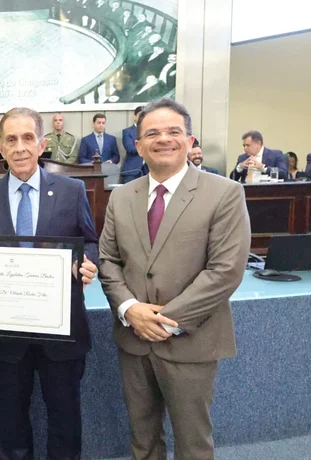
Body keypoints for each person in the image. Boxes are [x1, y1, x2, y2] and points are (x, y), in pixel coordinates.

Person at [98, 98, 250, 460]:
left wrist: (166, 320)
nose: (163, 139)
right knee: (143, 440)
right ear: (138, 145)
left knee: (193, 443)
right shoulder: (120, 198)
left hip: (189, 341)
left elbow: (225, 270)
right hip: (133, 340)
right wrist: (131, 309)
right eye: (152, 133)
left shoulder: (224, 193)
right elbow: (108, 260)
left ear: (190, 140)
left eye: (173, 131)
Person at [0, 107, 99, 460]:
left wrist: (86, 263)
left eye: (28, 138)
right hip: (6, 332)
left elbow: (90, 241)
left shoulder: (72, 190)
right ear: (0, 146)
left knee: (65, 417)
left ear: (42, 144)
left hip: (61, 329)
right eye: (11, 139)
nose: (20, 147)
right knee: (10, 421)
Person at [121, 106, 144, 183]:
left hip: (149, 170)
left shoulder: (151, 131)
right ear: (135, 117)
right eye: (140, 114)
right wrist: (147, 148)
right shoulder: (127, 132)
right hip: (132, 170)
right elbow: (130, 149)